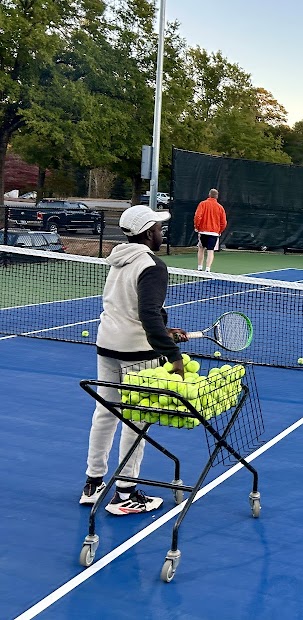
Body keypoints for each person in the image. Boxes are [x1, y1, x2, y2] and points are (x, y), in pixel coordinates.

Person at [80, 205, 189, 515]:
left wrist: (165, 331)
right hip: (137, 353)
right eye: (157, 227)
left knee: (105, 414)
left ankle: (93, 483)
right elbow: (147, 313)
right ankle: (125, 493)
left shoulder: (118, 258)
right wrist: (173, 355)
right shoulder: (152, 265)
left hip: (107, 345)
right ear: (146, 233)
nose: (160, 232)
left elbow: (130, 308)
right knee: (136, 420)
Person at [194, 188, 227, 272]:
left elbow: (197, 216)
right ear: (217, 197)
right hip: (214, 233)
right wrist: (219, 231)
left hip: (203, 231)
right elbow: (224, 222)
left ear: (209, 195)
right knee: (210, 250)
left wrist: (197, 227)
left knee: (201, 248)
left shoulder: (202, 204)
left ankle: (199, 267)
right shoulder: (220, 207)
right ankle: (208, 269)